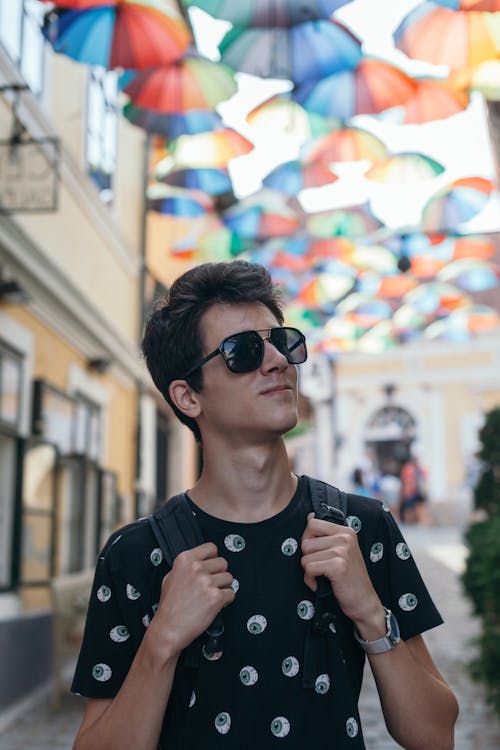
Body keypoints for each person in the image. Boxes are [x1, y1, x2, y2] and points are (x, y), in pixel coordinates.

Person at [71, 260, 458, 750]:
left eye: (283, 342)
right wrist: (162, 641)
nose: (277, 360)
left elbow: (435, 734)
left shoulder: (361, 528)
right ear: (188, 397)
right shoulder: (134, 555)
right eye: (243, 351)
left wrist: (369, 612)